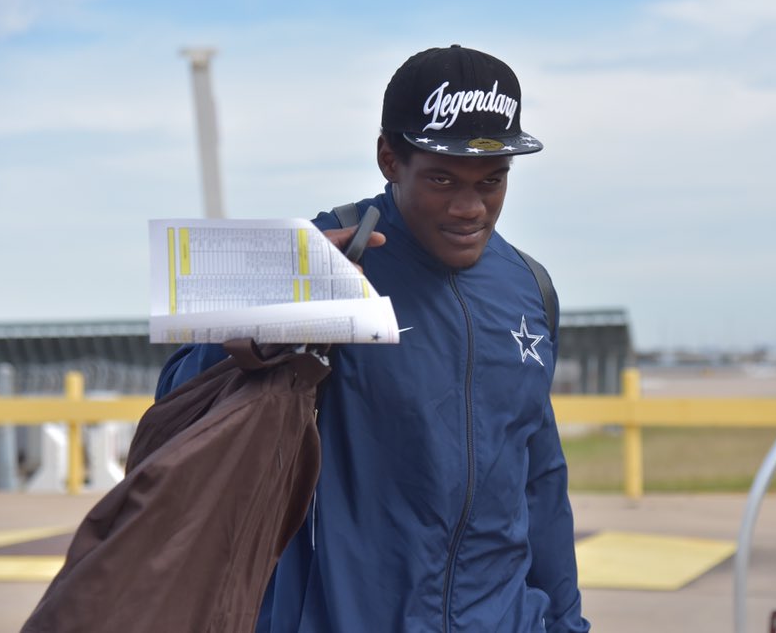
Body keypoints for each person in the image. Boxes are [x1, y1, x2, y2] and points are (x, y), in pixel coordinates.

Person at [155, 44, 590, 632]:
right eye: (441, 178)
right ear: (389, 158)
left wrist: (565, 623)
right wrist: (267, 317)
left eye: (492, 180)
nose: (469, 208)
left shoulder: (530, 288)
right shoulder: (316, 255)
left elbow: (540, 473)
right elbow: (178, 404)